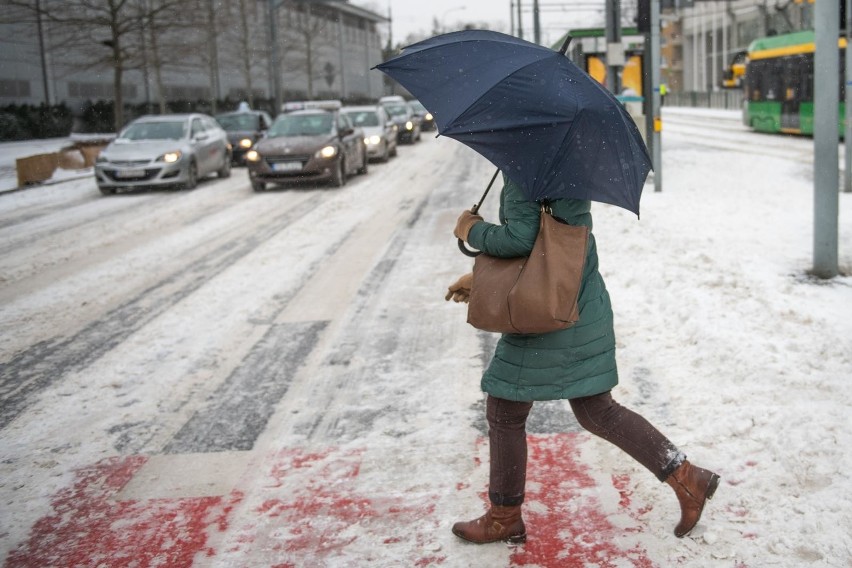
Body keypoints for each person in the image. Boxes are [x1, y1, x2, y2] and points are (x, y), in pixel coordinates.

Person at [445, 173, 719, 544]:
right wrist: (483, 280)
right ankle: (687, 477)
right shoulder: (564, 162)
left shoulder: (529, 165)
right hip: (578, 301)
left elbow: (522, 238)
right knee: (594, 410)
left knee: (505, 410)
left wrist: (471, 229)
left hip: (549, 315)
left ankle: (503, 518)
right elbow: (549, 243)